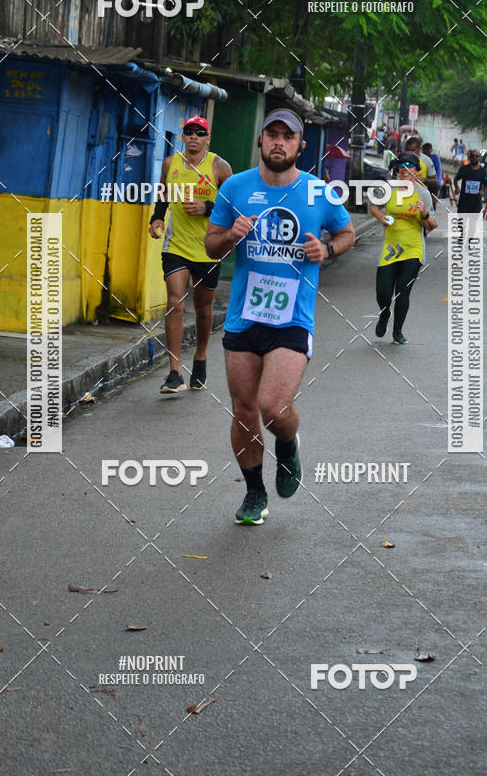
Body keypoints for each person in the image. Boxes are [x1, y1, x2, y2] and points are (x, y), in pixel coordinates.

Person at [204, 108, 355, 525]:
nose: (278, 142)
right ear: (261, 140)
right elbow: (210, 245)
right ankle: (255, 494)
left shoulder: (320, 193)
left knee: (273, 407)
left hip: (292, 319)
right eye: (272, 134)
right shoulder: (235, 187)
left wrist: (328, 250)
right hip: (243, 318)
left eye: (287, 137)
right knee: (243, 410)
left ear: (300, 146)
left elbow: (347, 233)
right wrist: (229, 236)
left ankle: (287, 446)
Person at [149, 115, 232, 393]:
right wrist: (157, 219)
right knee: (175, 302)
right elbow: (163, 194)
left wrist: (206, 208)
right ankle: (174, 372)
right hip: (176, 245)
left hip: (209, 247)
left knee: (203, 308)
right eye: (189, 132)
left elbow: (232, 207)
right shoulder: (170, 164)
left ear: (208, 138)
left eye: (200, 132)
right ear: (182, 137)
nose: (194, 136)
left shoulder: (220, 167)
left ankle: (200, 357)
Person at [368, 152, 437, 345]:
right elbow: (372, 206)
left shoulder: (423, 193)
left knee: (402, 291)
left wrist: (424, 213)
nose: (405, 169)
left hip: (413, 248)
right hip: (390, 248)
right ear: (398, 170)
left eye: (410, 166)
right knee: (382, 292)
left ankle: (397, 332)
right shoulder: (389, 188)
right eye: (402, 166)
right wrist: (381, 217)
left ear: (417, 170)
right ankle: (385, 313)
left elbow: (432, 225)